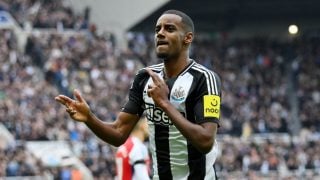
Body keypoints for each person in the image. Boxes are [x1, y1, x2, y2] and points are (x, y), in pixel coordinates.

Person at [55, 9, 221, 180]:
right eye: (158, 30)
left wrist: (164, 104)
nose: (161, 33)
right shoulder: (144, 78)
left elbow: (205, 141)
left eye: (169, 29)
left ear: (188, 38)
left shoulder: (205, 79)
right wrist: (90, 118)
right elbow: (119, 133)